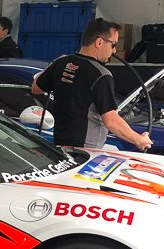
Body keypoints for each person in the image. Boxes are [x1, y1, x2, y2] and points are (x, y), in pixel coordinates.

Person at [31, 19, 152, 151]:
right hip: (86, 150)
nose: (114, 50)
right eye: (113, 44)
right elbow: (111, 120)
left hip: (60, 145)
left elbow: (36, 88)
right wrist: (139, 140)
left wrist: (53, 66)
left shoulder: (61, 63)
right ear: (99, 42)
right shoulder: (101, 74)